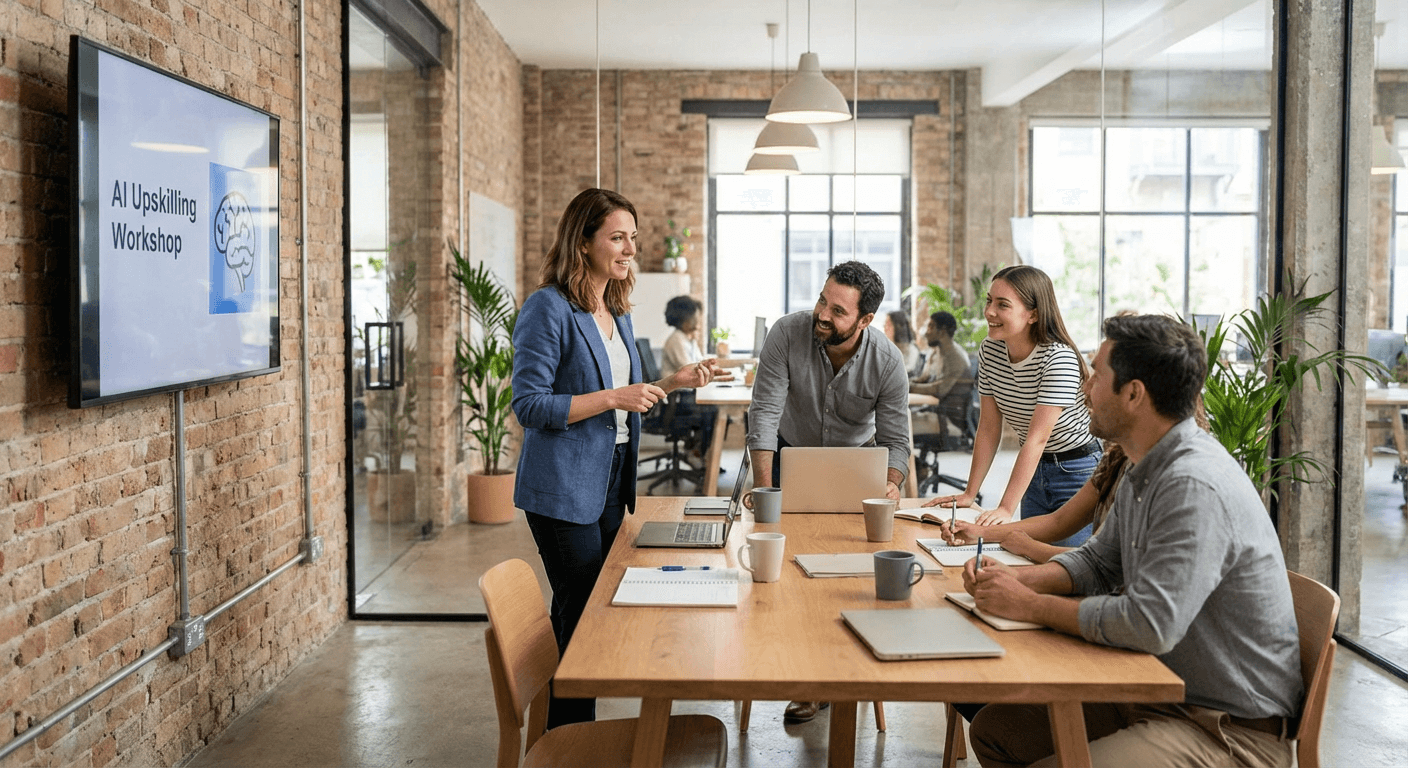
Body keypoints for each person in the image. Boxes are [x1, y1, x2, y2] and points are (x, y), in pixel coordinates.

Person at [964, 314, 1302, 768]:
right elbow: (1099, 565)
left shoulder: (1192, 484)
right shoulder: (1145, 465)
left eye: (1097, 375)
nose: (1084, 387)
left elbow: (1149, 623)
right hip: (1157, 695)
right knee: (997, 733)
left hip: (1226, 730)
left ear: (1134, 393)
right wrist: (1018, 582)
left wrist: (1029, 605)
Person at [511, 188, 722, 728]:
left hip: (609, 482)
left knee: (581, 609)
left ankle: (561, 737)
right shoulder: (548, 307)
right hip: (562, 487)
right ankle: (570, 740)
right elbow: (529, 405)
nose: (631, 248)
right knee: (585, 616)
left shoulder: (616, 309)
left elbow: (623, 389)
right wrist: (612, 399)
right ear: (583, 243)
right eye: (618, 237)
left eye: (634, 237)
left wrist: (671, 384)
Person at [745, 260, 911, 724]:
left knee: (848, 575)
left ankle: (844, 674)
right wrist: (764, 492)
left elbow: (897, 440)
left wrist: (891, 487)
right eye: (822, 300)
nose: (822, 313)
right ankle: (806, 680)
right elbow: (764, 413)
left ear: (864, 321)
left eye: (837, 311)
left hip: (852, 471)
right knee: (788, 580)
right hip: (789, 455)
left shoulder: (887, 361)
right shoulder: (786, 333)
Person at [922, 265, 1100, 547]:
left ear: (1034, 314)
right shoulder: (991, 350)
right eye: (989, 301)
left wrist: (1005, 508)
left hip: (1076, 471)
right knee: (1027, 558)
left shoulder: (1058, 359)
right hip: (1035, 470)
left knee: (1066, 568)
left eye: (1003, 304)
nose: (990, 311)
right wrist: (971, 492)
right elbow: (990, 428)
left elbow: (1037, 438)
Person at [658, 294, 719, 462]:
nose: (698, 321)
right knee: (713, 411)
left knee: (716, 410)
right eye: (696, 317)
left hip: (685, 396)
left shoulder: (687, 339)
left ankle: (700, 452)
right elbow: (693, 372)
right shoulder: (676, 340)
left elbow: (702, 363)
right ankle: (697, 453)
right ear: (685, 319)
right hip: (676, 400)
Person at [883, 309, 922, 375]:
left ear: (899, 327)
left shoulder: (912, 350)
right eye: (884, 324)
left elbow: (909, 371)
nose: (885, 328)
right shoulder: (885, 349)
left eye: (889, 325)